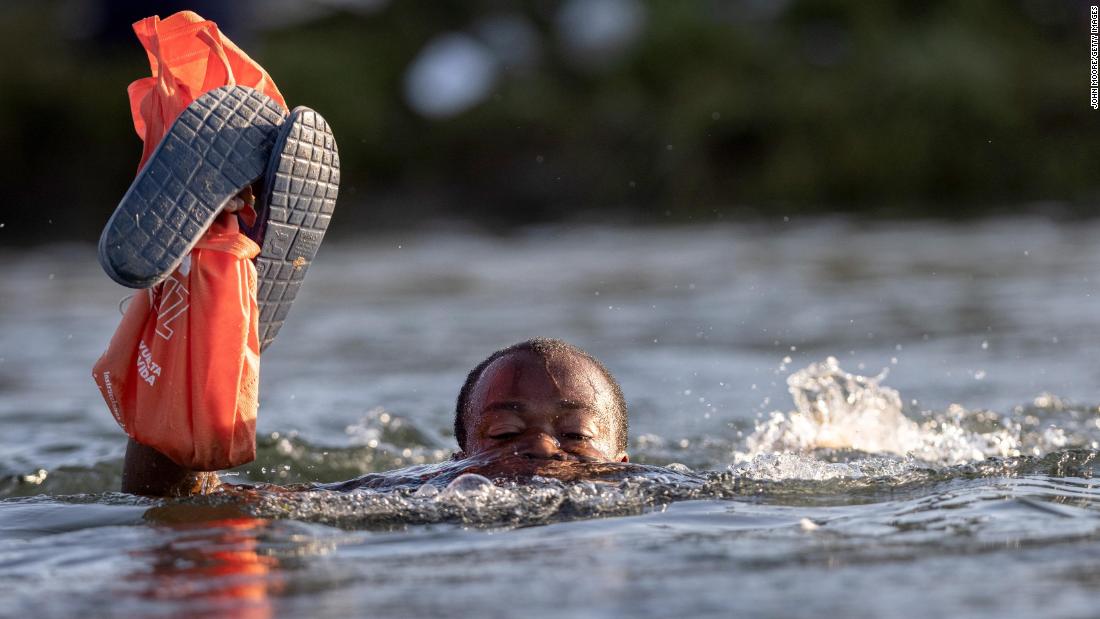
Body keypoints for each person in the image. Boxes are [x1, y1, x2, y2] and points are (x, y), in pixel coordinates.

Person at [122, 336, 631, 496]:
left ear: (624, 461)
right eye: (504, 432)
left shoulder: (674, 497)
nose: (542, 448)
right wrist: (187, 357)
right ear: (462, 458)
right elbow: (191, 502)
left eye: (575, 435)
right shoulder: (419, 493)